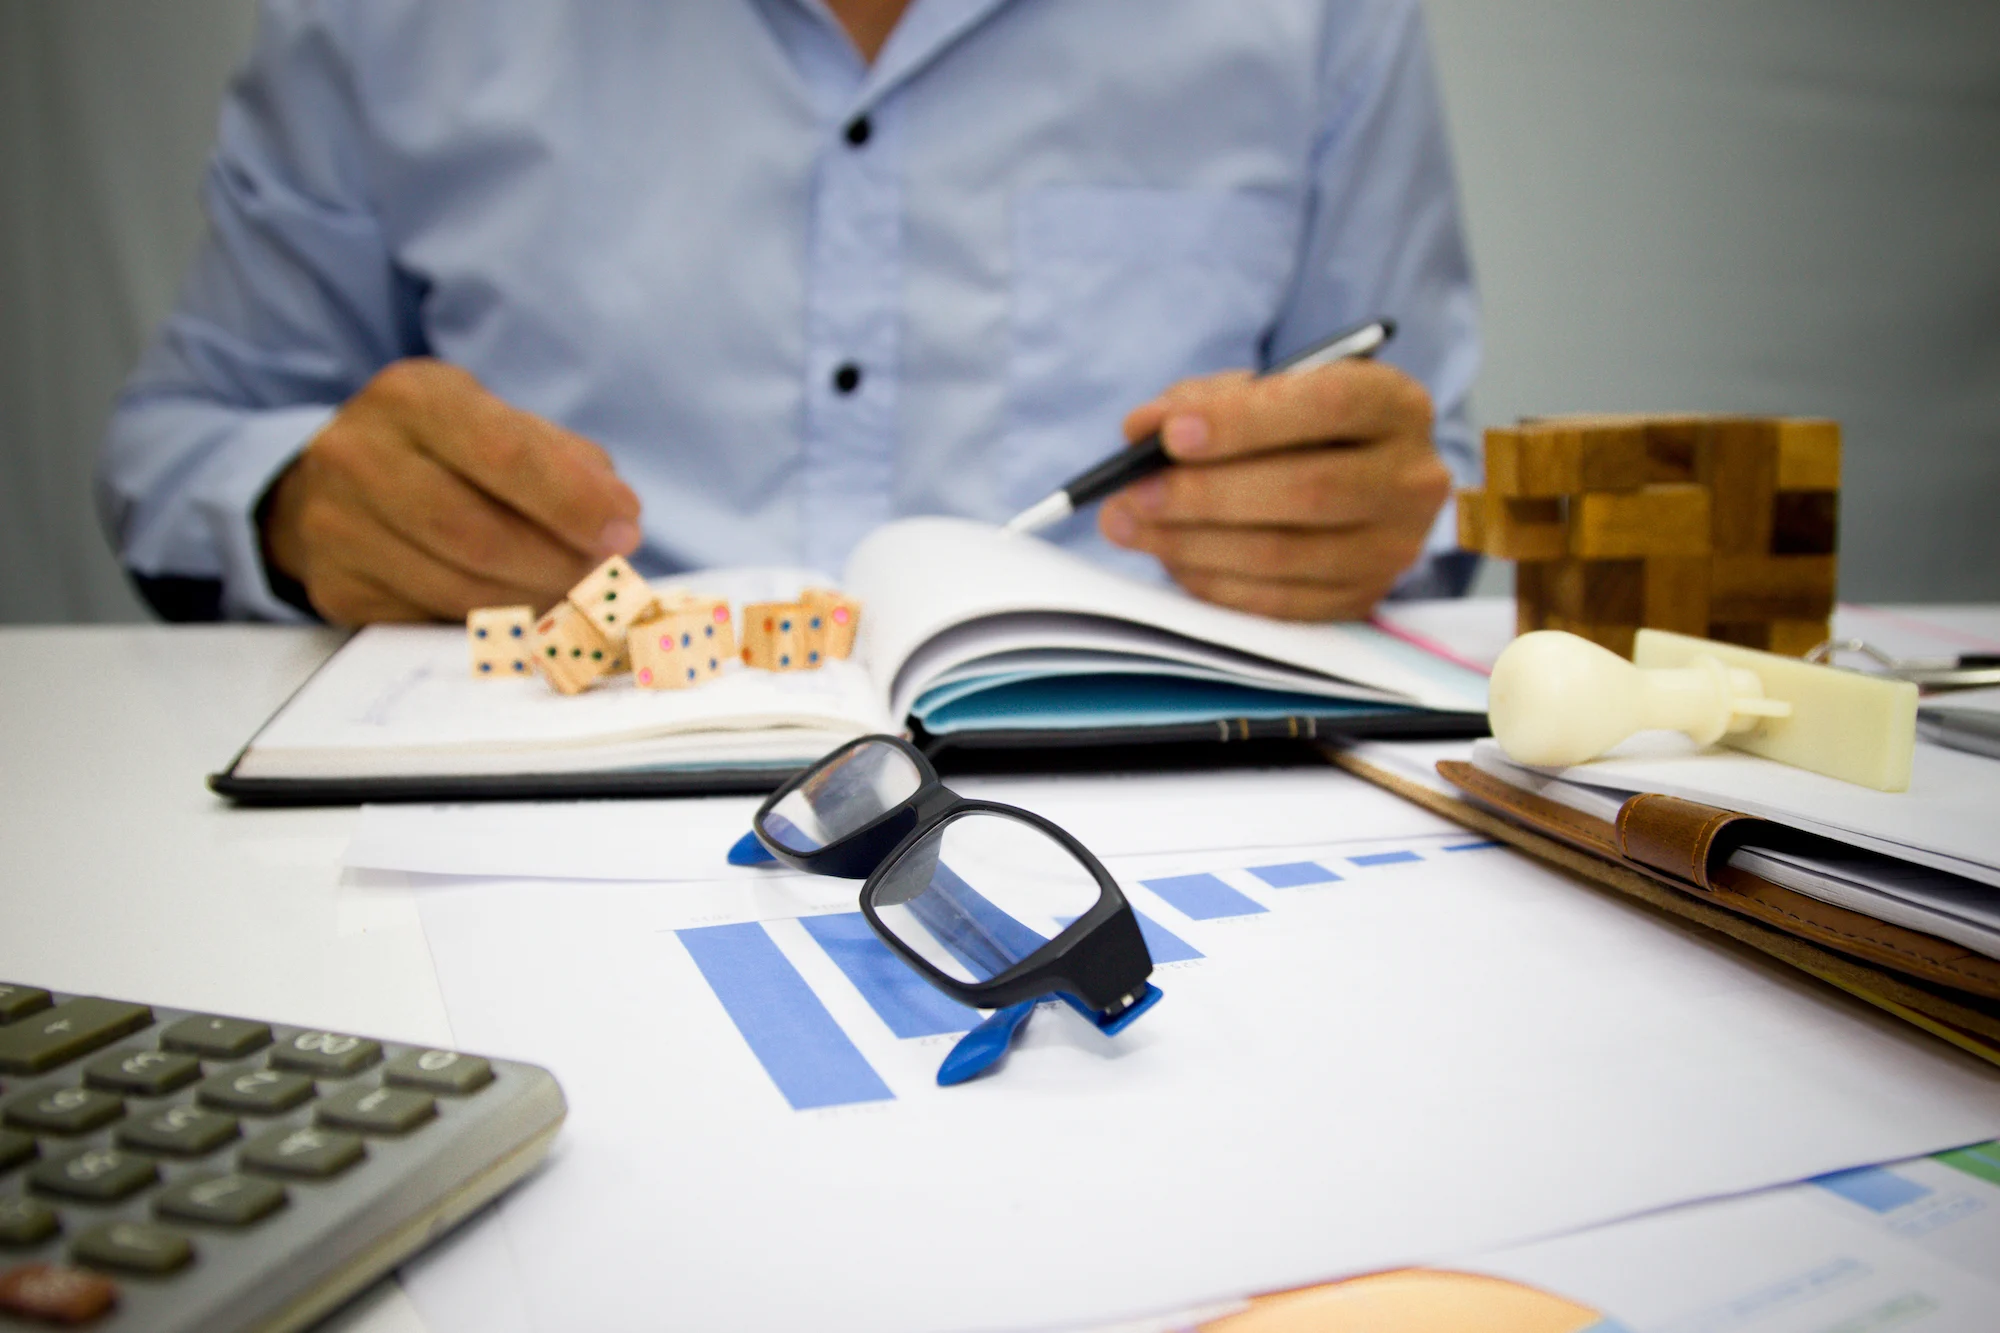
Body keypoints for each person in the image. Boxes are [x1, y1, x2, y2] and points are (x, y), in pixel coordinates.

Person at [97, 0, 1480, 626]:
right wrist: (295, 504)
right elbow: (180, 443)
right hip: (541, 788)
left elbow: (1436, 479)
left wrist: (1376, 517)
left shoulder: (1323, 17)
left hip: (1167, 808)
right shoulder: (382, 18)